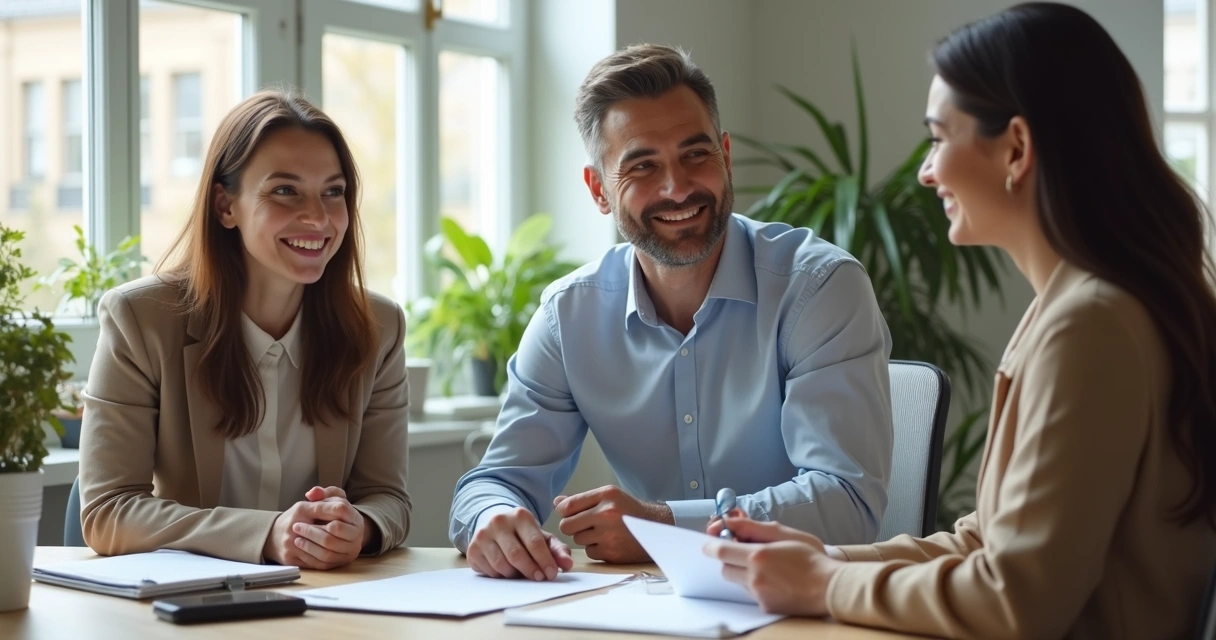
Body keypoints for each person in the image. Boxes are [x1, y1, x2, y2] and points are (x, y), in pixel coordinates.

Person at [704, 4, 1216, 638]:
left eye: (939, 137)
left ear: (1017, 148)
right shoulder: (1079, 305)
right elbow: (992, 541)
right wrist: (824, 560)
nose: (926, 170)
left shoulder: (1091, 325)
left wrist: (826, 585)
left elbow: (1015, 598)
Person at [450, 44, 894, 581]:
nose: (677, 187)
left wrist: (663, 526)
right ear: (599, 190)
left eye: (696, 155)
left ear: (725, 156)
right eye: (642, 165)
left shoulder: (819, 287)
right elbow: (495, 480)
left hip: (805, 604)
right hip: (653, 613)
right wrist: (493, 518)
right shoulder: (570, 316)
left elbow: (848, 503)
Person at [78, 90, 411, 569]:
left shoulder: (378, 328)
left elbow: (388, 498)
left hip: (326, 603)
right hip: (190, 609)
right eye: (285, 190)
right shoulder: (141, 319)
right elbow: (108, 512)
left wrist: (360, 526)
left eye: (333, 192)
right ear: (225, 206)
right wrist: (265, 535)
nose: (317, 217)